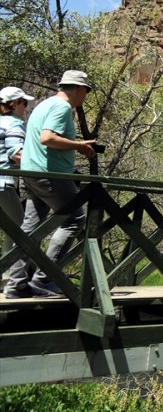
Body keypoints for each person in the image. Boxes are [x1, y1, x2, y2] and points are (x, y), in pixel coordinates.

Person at [3, 70, 96, 299]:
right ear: (78, 89)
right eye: (86, 91)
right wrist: (79, 146)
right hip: (51, 175)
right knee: (75, 219)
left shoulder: (43, 105)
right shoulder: (61, 107)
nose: (85, 96)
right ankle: (44, 279)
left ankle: (17, 284)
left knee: (29, 230)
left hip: (32, 173)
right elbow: (47, 138)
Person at [0, 87, 35, 287]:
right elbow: (16, 154)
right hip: (3, 183)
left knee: (10, 228)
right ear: (13, 104)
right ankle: (12, 278)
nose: (26, 107)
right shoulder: (13, 123)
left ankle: (5, 274)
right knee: (20, 228)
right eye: (24, 103)